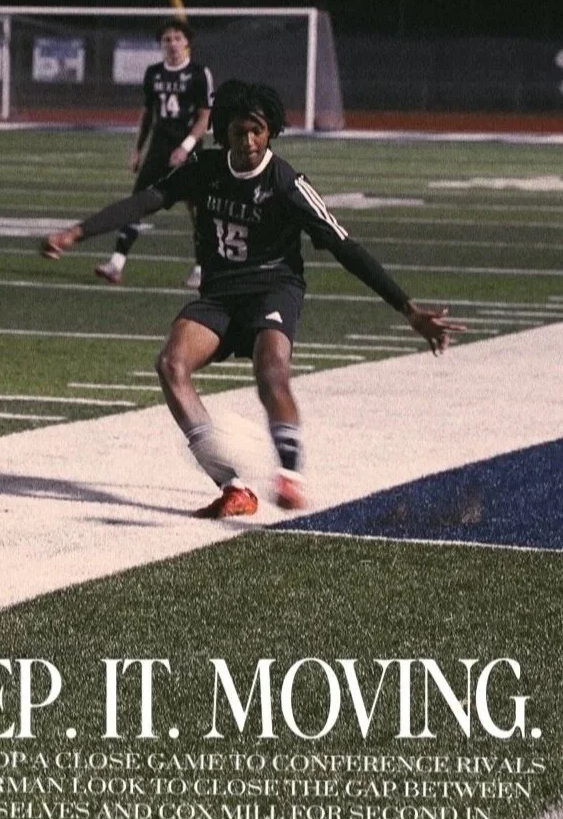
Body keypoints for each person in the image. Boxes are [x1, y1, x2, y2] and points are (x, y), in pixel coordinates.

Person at [42, 80, 465, 518]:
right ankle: (233, 487)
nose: (247, 141)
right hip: (219, 296)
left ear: (271, 131)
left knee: (272, 371)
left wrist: (409, 309)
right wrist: (77, 232)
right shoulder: (204, 168)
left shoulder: (287, 183)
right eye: (239, 131)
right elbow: (144, 202)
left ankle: (290, 476)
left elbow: (345, 247)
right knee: (171, 364)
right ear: (223, 131)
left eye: (257, 131)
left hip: (272, 289)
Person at [95, 19, 214, 289]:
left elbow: (205, 116)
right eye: (167, 40)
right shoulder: (154, 73)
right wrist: (137, 149)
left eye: (177, 38)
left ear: (187, 42)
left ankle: (201, 268)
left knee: (198, 211)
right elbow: (147, 114)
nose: (172, 44)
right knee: (136, 203)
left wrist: (185, 147)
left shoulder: (198, 73)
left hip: (189, 150)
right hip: (159, 149)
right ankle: (116, 263)